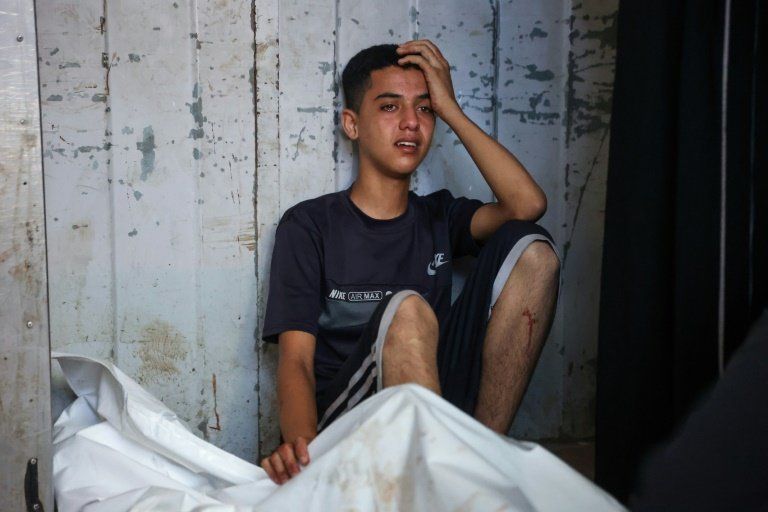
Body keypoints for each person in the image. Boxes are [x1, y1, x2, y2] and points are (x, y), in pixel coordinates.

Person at [260, 40, 560, 485]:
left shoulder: (440, 216)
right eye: (389, 107)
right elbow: (296, 361)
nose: (410, 123)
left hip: (435, 405)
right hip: (352, 421)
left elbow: (527, 205)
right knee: (408, 309)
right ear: (352, 124)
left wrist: (451, 109)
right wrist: (306, 458)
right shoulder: (309, 225)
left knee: (535, 251)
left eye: (424, 109)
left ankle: (476, 467)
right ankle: (435, 487)